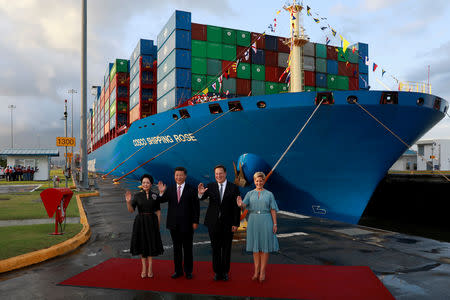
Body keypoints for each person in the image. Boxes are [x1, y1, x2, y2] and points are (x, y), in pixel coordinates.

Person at [198, 165, 241, 281]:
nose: (218, 176)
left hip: (228, 223)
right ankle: (217, 272)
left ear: (225, 173)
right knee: (215, 248)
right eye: (216, 174)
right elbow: (202, 198)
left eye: (220, 173)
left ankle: (225, 272)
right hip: (213, 223)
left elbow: (237, 207)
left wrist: (236, 223)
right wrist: (200, 193)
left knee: (226, 249)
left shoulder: (233, 187)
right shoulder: (211, 186)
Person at [158, 167, 200, 280]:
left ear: (185, 176)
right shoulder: (170, 189)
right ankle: (178, 271)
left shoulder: (191, 189)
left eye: (181, 175)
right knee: (176, 249)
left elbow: (196, 207)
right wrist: (161, 193)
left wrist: (196, 221)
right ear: (174, 176)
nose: (178, 177)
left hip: (187, 224)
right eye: (176, 175)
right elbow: (161, 200)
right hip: (174, 225)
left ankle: (188, 271)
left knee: (187, 249)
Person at [237, 171, 279, 283]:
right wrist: (240, 204)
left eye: (261, 180)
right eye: (257, 181)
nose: (259, 182)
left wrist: (275, 224)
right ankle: (256, 271)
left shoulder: (270, 194)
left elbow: (273, 210)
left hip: (266, 220)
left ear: (264, 181)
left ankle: (263, 271)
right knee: (256, 248)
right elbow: (244, 205)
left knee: (264, 248)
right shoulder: (249, 194)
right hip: (253, 221)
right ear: (254, 181)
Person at [125, 174, 164, 278]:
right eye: (143, 183)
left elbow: (158, 212)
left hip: (152, 222)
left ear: (151, 184)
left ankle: (150, 268)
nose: (145, 184)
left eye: (147, 182)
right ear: (141, 184)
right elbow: (131, 210)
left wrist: (158, 226)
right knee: (142, 245)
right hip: (140, 223)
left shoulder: (155, 196)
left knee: (151, 245)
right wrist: (128, 202)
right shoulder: (137, 195)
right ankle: (143, 268)